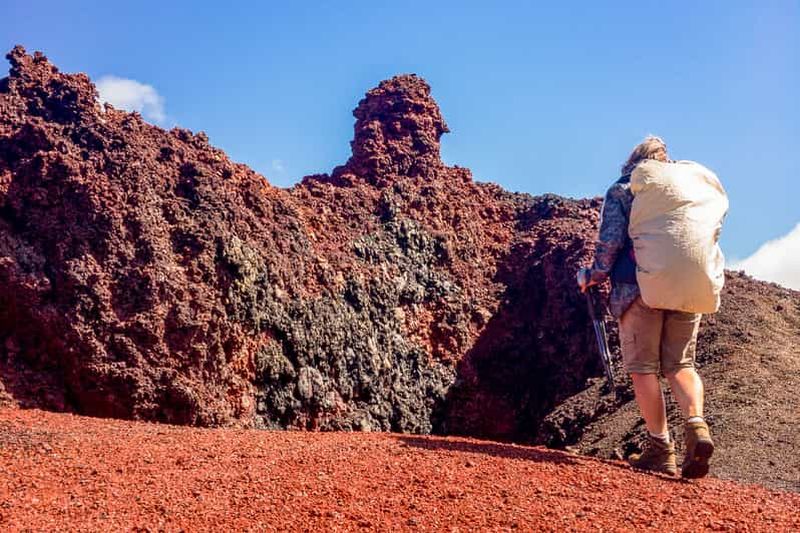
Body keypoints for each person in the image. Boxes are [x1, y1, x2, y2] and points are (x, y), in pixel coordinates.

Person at [577, 136, 714, 479]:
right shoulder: (687, 192)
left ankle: (660, 448)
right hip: (689, 287)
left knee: (643, 369)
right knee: (681, 364)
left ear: (633, 163)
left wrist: (592, 276)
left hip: (638, 289)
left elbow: (611, 242)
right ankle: (697, 424)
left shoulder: (625, 188)